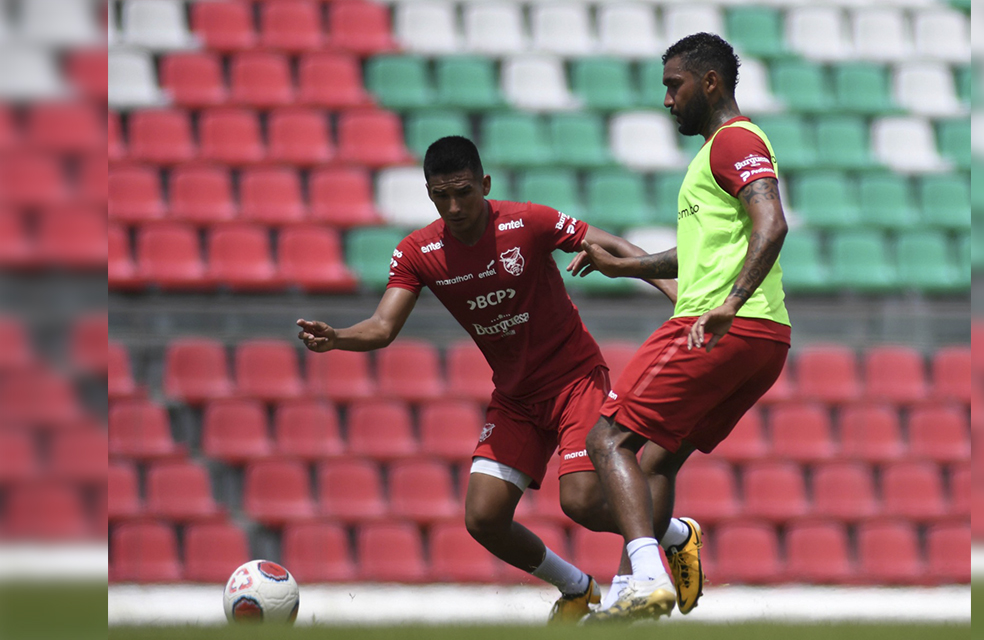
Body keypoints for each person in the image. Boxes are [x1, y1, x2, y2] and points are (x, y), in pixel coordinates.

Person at [296, 136, 701, 623]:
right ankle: (578, 588)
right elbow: (383, 328)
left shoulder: (527, 222)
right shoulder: (417, 252)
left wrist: (676, 293)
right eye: (440, 196)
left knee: (581, 501)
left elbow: (609, 243)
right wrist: (337, 337)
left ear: (484, 184)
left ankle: (675, 534)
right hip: (515, 398)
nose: (454, 206)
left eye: (463, 192)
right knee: (483, 517)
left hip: (575, 380)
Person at [571, 33, 793, 622]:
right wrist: (626, 266)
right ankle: (631, 593)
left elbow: (772, 223)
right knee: (656, 463)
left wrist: (730, 302)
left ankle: (650, 572)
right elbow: (697, 253)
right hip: (762, 338)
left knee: (607, 440)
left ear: (710, 82)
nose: (667, 100)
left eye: (675, 86)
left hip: (721, 326)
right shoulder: (715, 156)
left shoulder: (734, 141)